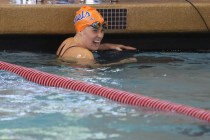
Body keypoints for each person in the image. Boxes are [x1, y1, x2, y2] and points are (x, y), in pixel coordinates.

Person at [56, 6, 137, 67]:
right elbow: (97, 72)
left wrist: (106, 46)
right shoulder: (85, 55)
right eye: (95, 30)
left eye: (102, 31)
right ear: (80, 30)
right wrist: (124, 62)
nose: (100, 36)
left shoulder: (68, 42)